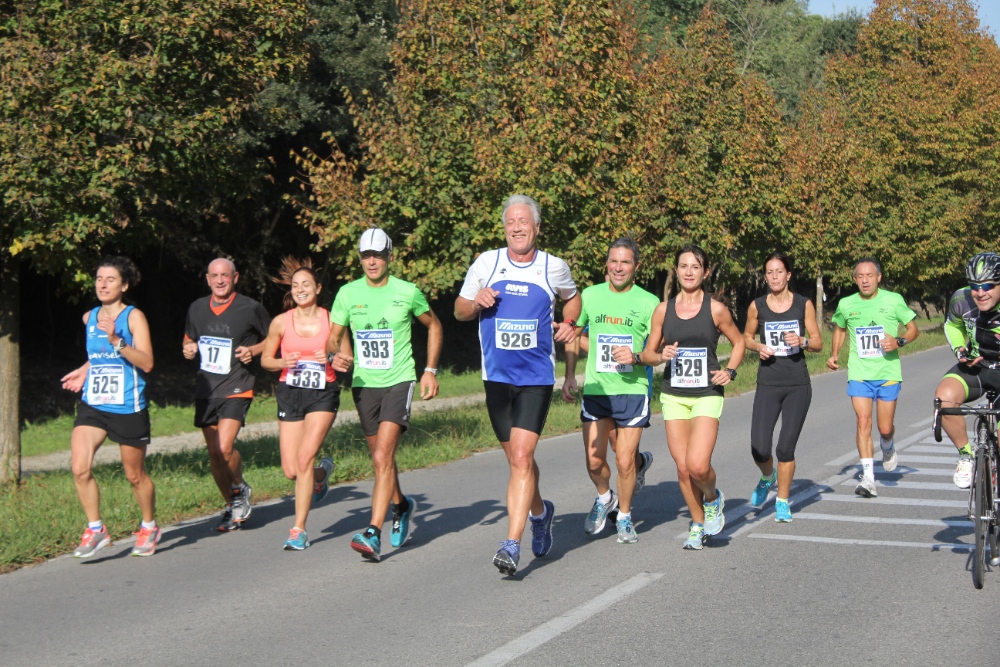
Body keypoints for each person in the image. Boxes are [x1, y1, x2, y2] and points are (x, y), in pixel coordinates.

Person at [455, 194, 580, 575]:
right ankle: (541, 513)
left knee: (523, 458)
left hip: (535, 378)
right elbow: (459, 311)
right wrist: (476, 302)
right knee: (517, 461)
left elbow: (572, 300)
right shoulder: (487, 263)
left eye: (523, 221)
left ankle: (511, 543)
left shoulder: (552, 266)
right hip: (496, 378)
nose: (516, 227)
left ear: (537, 228)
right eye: (510, 221)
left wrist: (569, 323)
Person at [327, 229, 442, 562]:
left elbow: (433, 325)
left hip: (399, 380)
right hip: (364, 385)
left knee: (381, 458)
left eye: (378, 254)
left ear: (390, 256)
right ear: (360, 258)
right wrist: (336, 355)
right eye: (366, 255)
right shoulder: (348, 294)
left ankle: (373, 532)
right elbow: (332, 338)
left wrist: (430, 370)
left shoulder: (407, 292)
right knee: (381, 458)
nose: (372, 260)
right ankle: (401, 506)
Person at [640, 244, 745, 550]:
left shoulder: (716, 309)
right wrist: (661, 355)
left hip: (707, 394)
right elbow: (648, 353)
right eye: (684, 266)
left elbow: (738, 343)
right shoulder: (663, 310)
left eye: (695, 267)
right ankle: (698, 524)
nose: (688, 272)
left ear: (705, 272)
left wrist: (731, 371)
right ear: (677, 270)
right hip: (674, 395)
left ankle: (713, 498)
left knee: (698, 465)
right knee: (683, 467)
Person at [60, 256, 159, 558]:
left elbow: (146, 362)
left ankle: (149, 526)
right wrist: (85, 369)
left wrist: (115, 338)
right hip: (94, 405)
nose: (102, 284)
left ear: (124, 285)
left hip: (128, 406)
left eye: (110, 279)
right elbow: (100, 357)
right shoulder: (89, 317)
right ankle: (96, 528)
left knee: (134, 476)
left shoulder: (133, 317)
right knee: (79, 467)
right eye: (99, 279)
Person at [566, 238, 659, 543]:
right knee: (594, 461)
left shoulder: (649, 303)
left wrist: (634, 356)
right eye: (614, 261)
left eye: (626, 262)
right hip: (596, 388)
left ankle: (625, 517)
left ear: (636, 267)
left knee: (623, 460)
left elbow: (657, 352)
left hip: (633, 389)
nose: (619, 267)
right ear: (607, 263)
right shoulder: (589, 296)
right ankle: (606, 497)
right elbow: (574, 335)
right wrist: (569, 376)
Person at [261, 258, 353, 550]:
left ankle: (298, 529)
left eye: (306, 284)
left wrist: (331, 359)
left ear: (318, 288)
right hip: (290, 392)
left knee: (304, 459)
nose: (300, 289)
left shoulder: (332, 321)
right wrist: (280, 361)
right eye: (295, 285)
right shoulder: (280, 322)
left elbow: (347, 360)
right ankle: (321, 474)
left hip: (323, 393)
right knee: (291, 469)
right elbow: (265, 359)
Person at [183, 258, 271, 531]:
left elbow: (275, 337)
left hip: (237, 384)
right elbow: (188, 338)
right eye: (214, 275)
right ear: (207, 279)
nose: (220, 280)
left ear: (235, 277)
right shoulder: (197, 308)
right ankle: (231, 504)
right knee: (213, 454)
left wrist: (253, 351)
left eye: (225, 275)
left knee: (224, 446)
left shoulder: (250, 307)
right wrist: (188, 348)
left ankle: (239, 486)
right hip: (207, 389)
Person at [827, 258, 919, 498]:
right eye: (860, 276)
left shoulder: (893, 299)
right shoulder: (847, 304)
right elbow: (839, 328)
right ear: (855, 279)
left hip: (888, 373)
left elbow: (913, 329)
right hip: (859, 374)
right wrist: (834, 354)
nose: (865, 280)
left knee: (884, 427)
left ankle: (887, 445)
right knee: (863, 421)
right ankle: (868, 478)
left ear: (879, 277)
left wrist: (898, 342)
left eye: (870, 275)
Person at [742, 253, 822, 522]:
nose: (774, 277)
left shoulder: (803, 304)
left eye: (779, 272)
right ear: (765, 276)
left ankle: (783, 501)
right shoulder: (757, 306)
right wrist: (758, 347)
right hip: (768, 382)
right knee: (759, 448)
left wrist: (802, 340)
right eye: (769, 272)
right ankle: (768, 476)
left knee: (785, 448)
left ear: (788, 275)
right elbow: (746, 337)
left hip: (797, 384)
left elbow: (818, 342)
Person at [934, 252, 1000, 489]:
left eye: (988, 286)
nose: (980, 292)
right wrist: (960, 349)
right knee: (944, 399)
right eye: (975, 286)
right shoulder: (960, 299)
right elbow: (952, 325)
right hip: (977, 366)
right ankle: (966, 456)